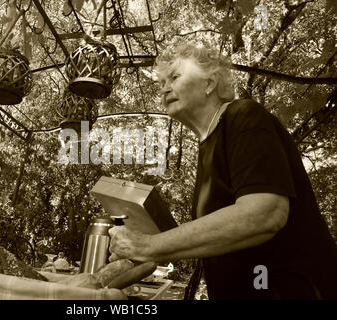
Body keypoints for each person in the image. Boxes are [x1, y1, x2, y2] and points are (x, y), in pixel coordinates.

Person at [108, 42, 337, 300]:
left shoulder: (245, 116)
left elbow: (265, 213)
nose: (164, 87)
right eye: (160, 82)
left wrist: (148, 246)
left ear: (209, 83)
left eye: (174, 76)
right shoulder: (208, 146)